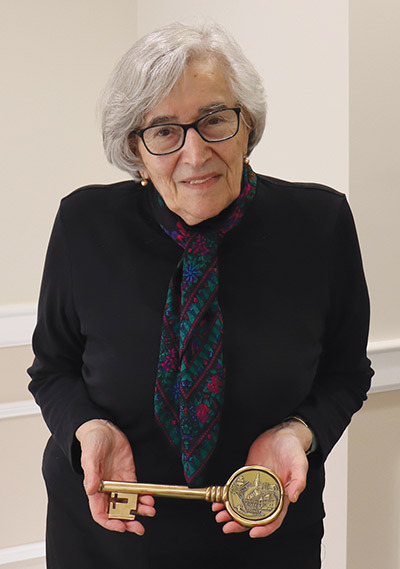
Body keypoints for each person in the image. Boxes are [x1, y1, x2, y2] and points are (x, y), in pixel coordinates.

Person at [28, 22, 373, 569]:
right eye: (164, 131)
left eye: (214, 120)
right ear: (135, 150)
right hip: (105, 533)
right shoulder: (84, 223)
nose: (195, 154)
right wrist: (87, 429)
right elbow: (52, 368)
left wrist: (298, 433)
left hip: (264, 536)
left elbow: (346, 374)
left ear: (247, 125)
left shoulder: (320, 225)